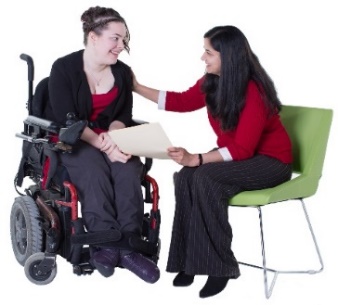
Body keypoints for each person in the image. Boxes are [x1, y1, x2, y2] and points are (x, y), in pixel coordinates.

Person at [132, 25, 293, 297]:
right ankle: (189, 262)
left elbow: (241, 149)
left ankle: (220, 268)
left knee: (206, 177)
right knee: (184, 176)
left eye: (208, 52)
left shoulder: (254, 91)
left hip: (271, 163)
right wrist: (135, 87)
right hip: (242, 157)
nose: (202, 58)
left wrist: (197, 158)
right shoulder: (213, 81)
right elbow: (181, 101)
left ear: (227, 57)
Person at [45, 6, 159, 284]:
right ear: (93, 37)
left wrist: (117, 137)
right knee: (94, 169)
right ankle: (104, 245)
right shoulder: (64, 68)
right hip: (73, 140)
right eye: (115, 38)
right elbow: (66, 118)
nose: (122, 46)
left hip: (108, 136)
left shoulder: (122, 73)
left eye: (124, 40)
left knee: (128, 168)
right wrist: (102, 144)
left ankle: (129, 248)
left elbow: (122, 116)